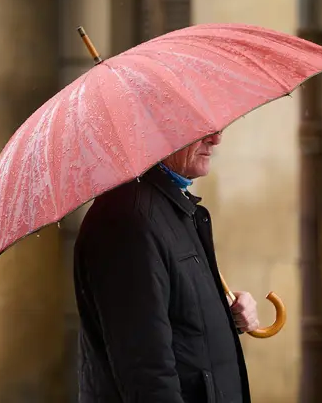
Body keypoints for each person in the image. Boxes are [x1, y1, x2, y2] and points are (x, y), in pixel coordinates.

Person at [73, 131, 257, 403]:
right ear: (155, 129)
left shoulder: (170, 207)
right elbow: (146, 369)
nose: (215, 139)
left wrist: (225, 314)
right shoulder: (129, 219)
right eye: (199, 128)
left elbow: (175, 318)